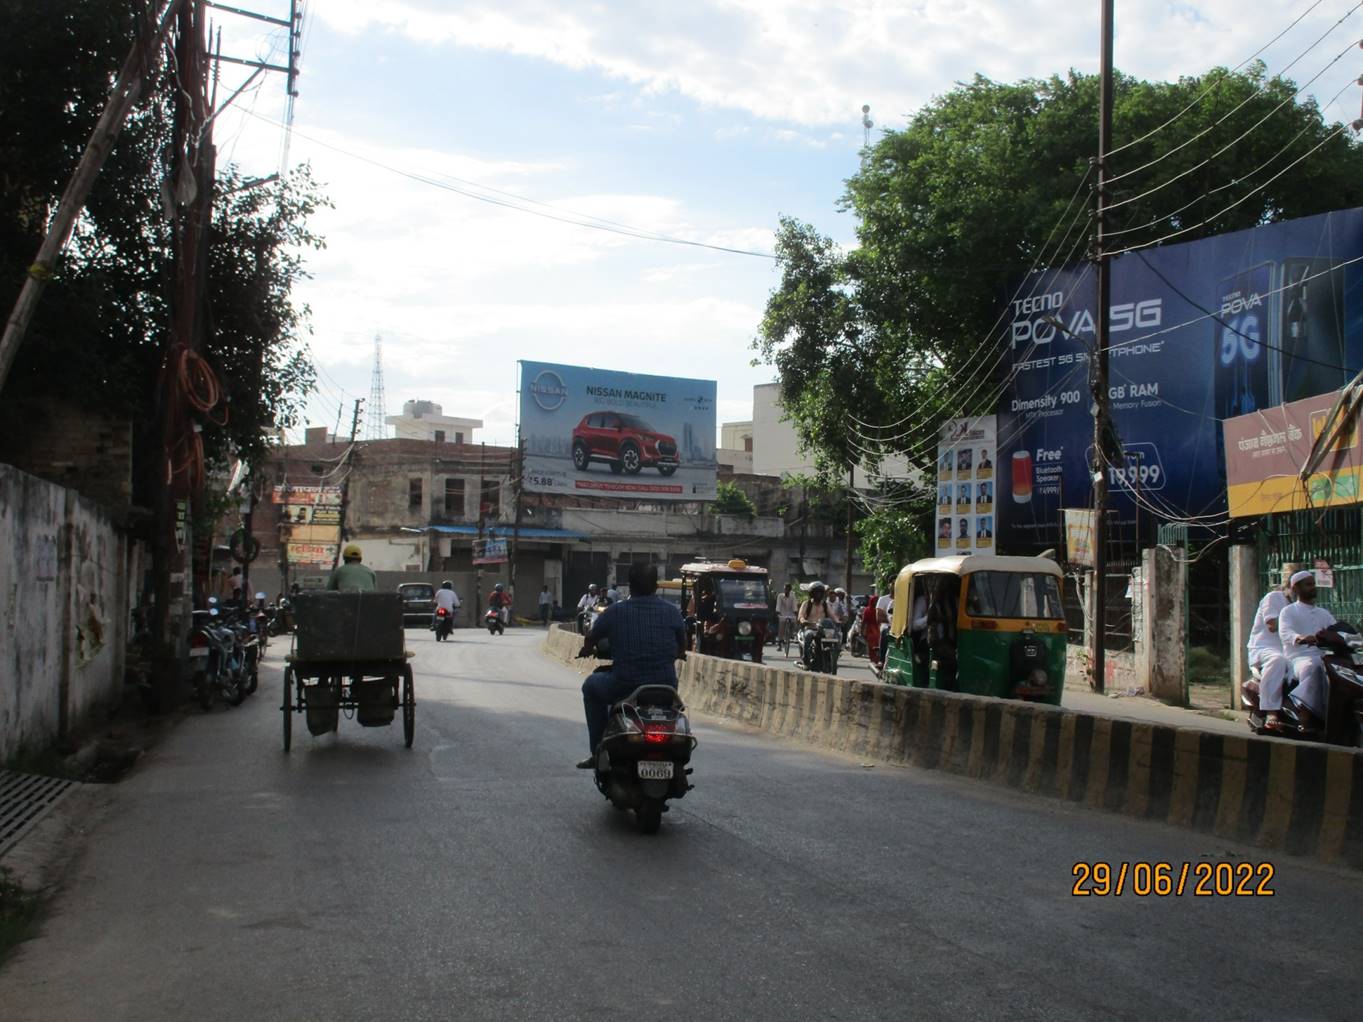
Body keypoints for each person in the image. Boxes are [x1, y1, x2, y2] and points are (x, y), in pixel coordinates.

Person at [576, 563, 687, 768]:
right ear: (655, 586)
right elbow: (683, 646)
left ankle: (598, 750)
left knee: (590, 687)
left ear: (630, 586)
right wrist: (678, 653)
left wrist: (586, 649)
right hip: (666, 687)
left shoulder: (614, 612)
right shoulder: (672, 612)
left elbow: (591, 637)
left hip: (625, 685)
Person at [1278, 570, 1335, 733]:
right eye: (1308, 584)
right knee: (1312, 666)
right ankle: (1304, 717)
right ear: (1296, 588)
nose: (1313, 587)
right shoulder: (1288, 611)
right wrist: (1300, 638)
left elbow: (1335, 629)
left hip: (1324, 656)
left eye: (1313, 584)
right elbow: (1285, 633)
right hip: (1298, 658)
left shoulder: (1323, 613)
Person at [1247, 571, 1292, 732]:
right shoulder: (1274, 598)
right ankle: (1271, 712)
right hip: (1265, 648)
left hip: (1293, 651)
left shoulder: (1305, 604)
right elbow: (1272, 625)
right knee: (1277, 660)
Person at [797, 582, 831, 667]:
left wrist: (839, 621)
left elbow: (833, 616)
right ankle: (806, 659)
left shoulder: (825, 605)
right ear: (812, 593)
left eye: (820, 592)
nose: (818, 595)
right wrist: (803, 620)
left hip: (822, 630)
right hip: (810, 628)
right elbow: (800, 616)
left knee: (834, 638)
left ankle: (831, 658)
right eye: (816, 592)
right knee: (808, 636)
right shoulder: (806, 604)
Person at [775, 582, 799, 652]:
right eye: (785, 589)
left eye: (787, 589)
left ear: (790, 590)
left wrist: (796, 614)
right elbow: (778, 606)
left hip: (791, 614)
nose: (786, 591)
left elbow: (794, 607)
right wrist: (778, 613)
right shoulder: (780, 596)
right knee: (781, 624)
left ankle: (791, 634)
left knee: (794, 622)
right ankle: (780, 642)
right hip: (782, 614)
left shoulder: (793, 596)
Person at [862, 587, 881, 664]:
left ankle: (874, 659)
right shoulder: (879, 610)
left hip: (872, 630)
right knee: (876, 646)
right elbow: (864, 621)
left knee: (872, 647)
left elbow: (864, 621)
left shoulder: (868, 610)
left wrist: (862, 631)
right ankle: (876, 659)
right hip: (876, 630)